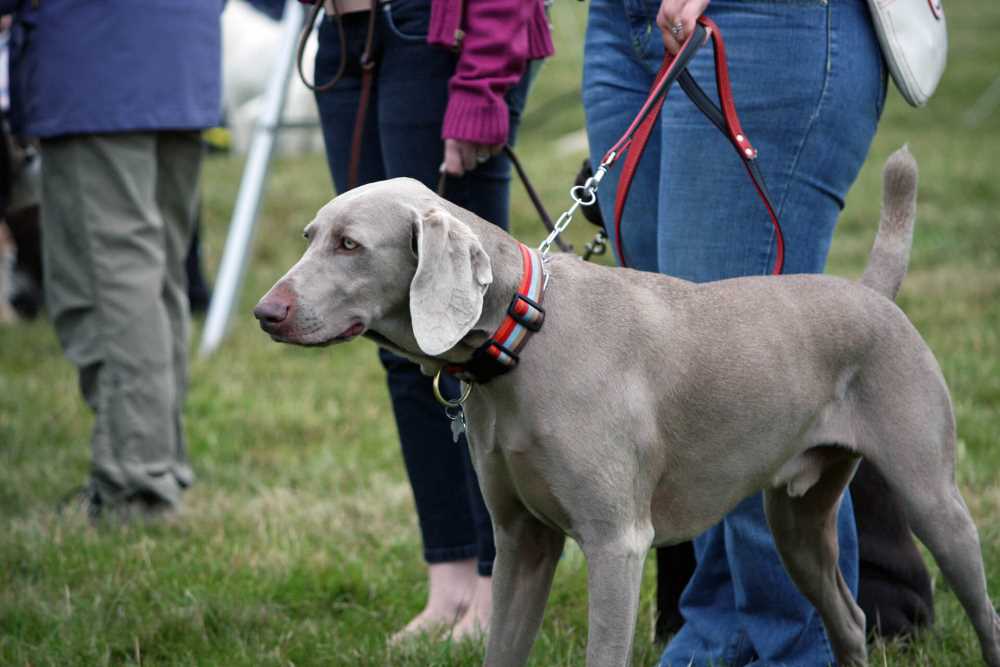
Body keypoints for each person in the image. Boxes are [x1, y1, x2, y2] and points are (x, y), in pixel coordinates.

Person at [583, 0, 931, 663]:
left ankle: (798, 645)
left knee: (742, 378)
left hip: (763, 20)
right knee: (682, 382)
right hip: (619, 23)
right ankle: (720, 629)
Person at [302, 0, 552, 641]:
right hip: (343, 38)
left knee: (466, 332)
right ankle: (450, 582)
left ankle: (502, 583)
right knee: (391, 330)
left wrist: (484, 78)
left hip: (441, 37)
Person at [2, 0, 223, 518]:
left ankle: (135, 484)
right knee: (155, 273)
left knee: (113, 280)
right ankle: (158, 466)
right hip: (182, 54)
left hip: (94, 60)